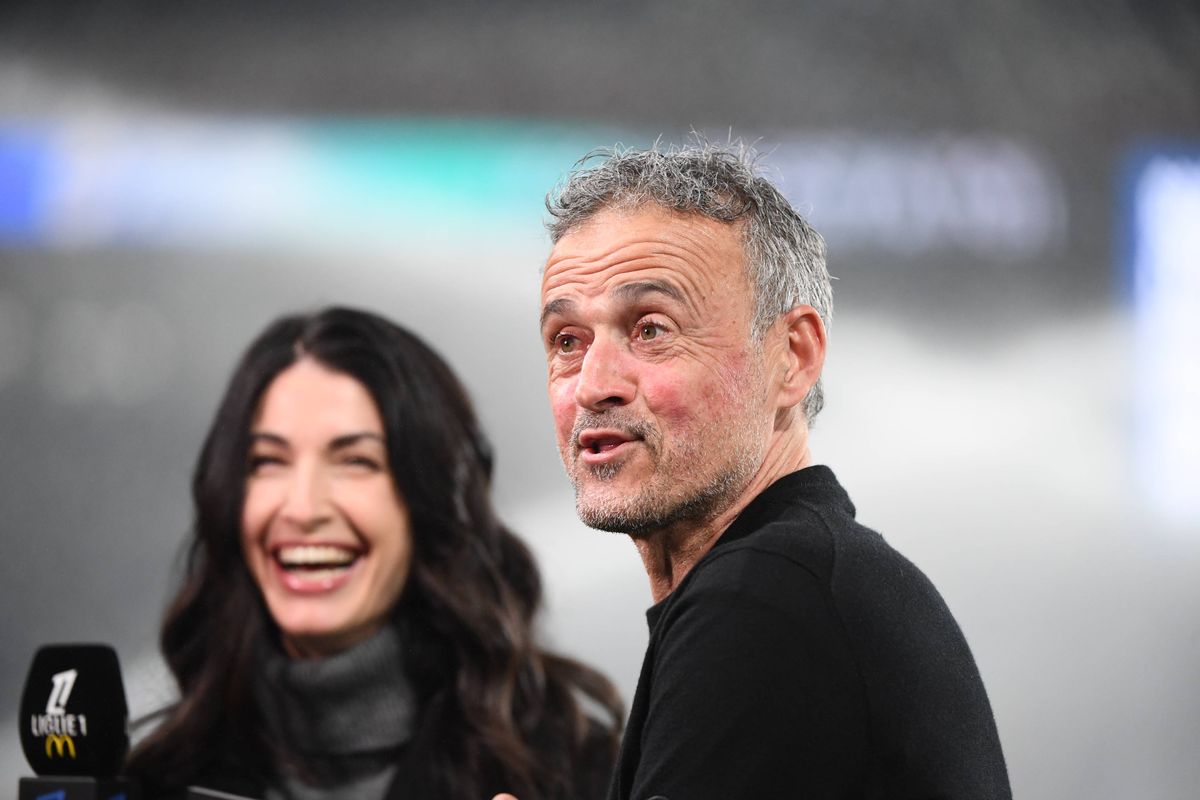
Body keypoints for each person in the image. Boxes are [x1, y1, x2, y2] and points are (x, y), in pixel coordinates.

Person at [514, 142, 1012, 799]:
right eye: (568, 341)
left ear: (794, 356)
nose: (593, 384)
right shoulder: (808, 581)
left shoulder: (765, 599)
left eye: (651, 329)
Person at [125, 307, 622, 800]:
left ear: (433, 500)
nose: (303, 508)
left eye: (356, 461)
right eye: (268, 461)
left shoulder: (572, 775)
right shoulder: (155, 779)